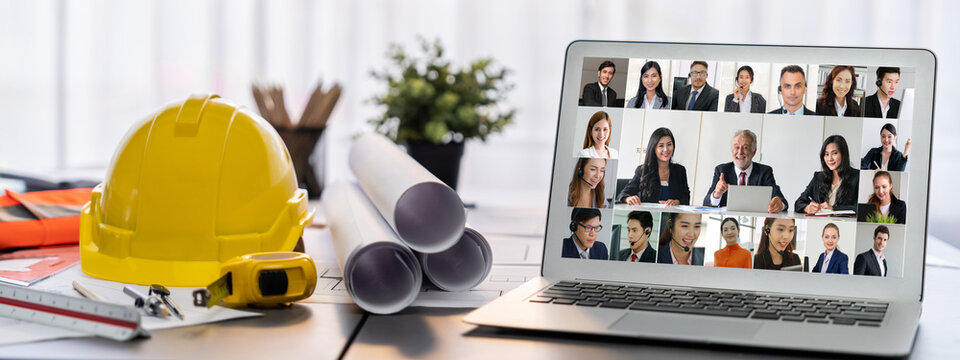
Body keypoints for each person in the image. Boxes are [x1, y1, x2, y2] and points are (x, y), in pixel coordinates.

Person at [702, 129, 788, 213]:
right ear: (732, 150)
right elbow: (706, 204)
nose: (740, 152)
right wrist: (716, 194)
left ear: (754, 152)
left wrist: (780, 205)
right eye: (736, 147)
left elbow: (783, 201)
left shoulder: (765, 172)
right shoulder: (722, 170)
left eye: (745, 148)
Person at [617, 127, 690, 206]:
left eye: (669, 144)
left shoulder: (680, 170)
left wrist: (677, 202)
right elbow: (623, 194)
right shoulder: (642, 170)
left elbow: (686, 198)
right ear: (653, 148)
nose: (666, 149)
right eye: (661, 146)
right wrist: (628, 198)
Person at [796, 135, 860, 214]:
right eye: (826, 154)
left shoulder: (857, 177)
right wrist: (807, 208)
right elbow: (799, 203)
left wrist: (834, 208)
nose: (830, 159)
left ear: (843, 154)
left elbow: (861, 208)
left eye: (834, 153)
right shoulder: (818, 177)